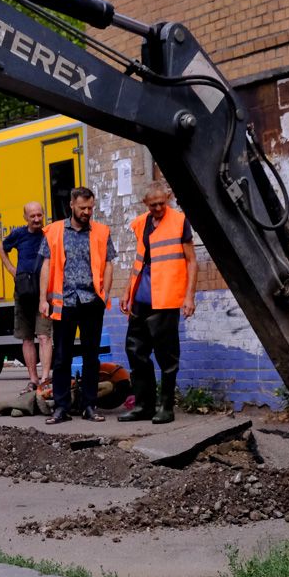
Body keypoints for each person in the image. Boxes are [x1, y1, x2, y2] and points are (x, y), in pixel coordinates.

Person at [118, 182, 197, 425]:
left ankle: (166, 407)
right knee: (135, 352)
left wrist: (189, 296)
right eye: (153, 205)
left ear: (169, 198)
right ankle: (143, 405)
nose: (159, 208)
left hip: (166, 298)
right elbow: (140, 260)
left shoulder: (179, 221)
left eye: (162, 203)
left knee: (166, 356)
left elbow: (191, 261)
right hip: (141, 299)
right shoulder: (142, 223)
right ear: (145, 204)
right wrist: (126, 291)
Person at [37, 187, 115, 424]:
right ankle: (61, 407)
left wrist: (106, 294)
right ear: (72, 204)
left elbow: (109, 264)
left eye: (90, 208)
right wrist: (43, 298)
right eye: (82, 208)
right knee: (62, 357)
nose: (87, 212)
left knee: (92, 356)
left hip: (92, 301)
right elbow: (46, 265)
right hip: (65, 302)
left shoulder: (101, 232)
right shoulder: (55, 231)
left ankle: (89, 405)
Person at [0, 201, 53, 393]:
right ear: (25, 218)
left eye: (40, 215)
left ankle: (45, 378)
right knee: (27, 338)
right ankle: (33, 379)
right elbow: (1, 248)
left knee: (45, 336)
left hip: (44, 293)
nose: (37, 219)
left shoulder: (49, 234)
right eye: (33, 216)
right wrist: (12, 269)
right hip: (23, 293)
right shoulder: (19, 234)